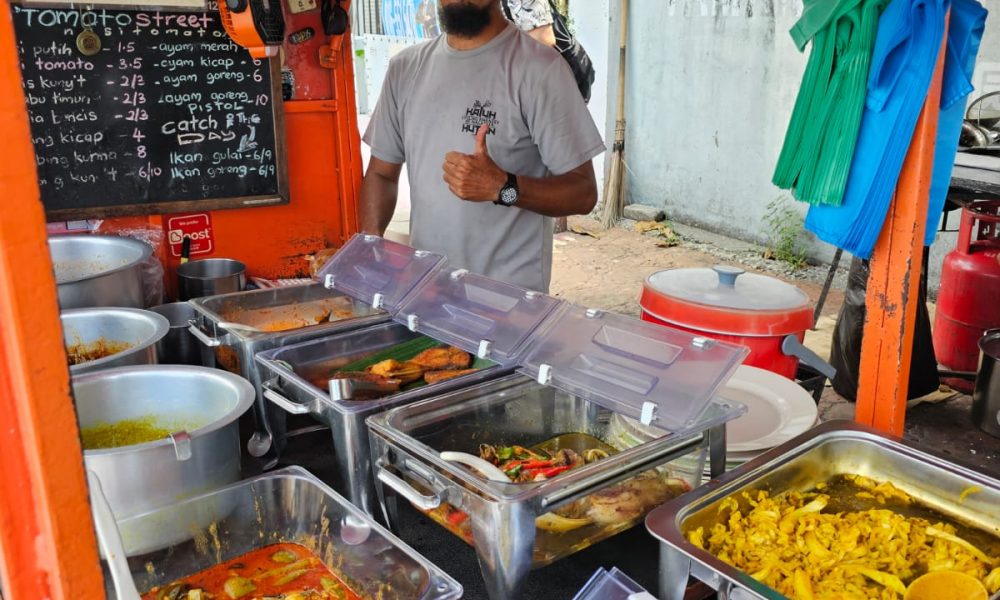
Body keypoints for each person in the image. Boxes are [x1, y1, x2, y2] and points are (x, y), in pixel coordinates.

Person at [360, 0, 604, 293]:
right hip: (427, 293)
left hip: (507, 301)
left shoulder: (540, 70)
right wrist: (370, 246)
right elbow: (381, 174)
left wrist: (504, 187)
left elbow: (583, 193)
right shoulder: (405, 69)